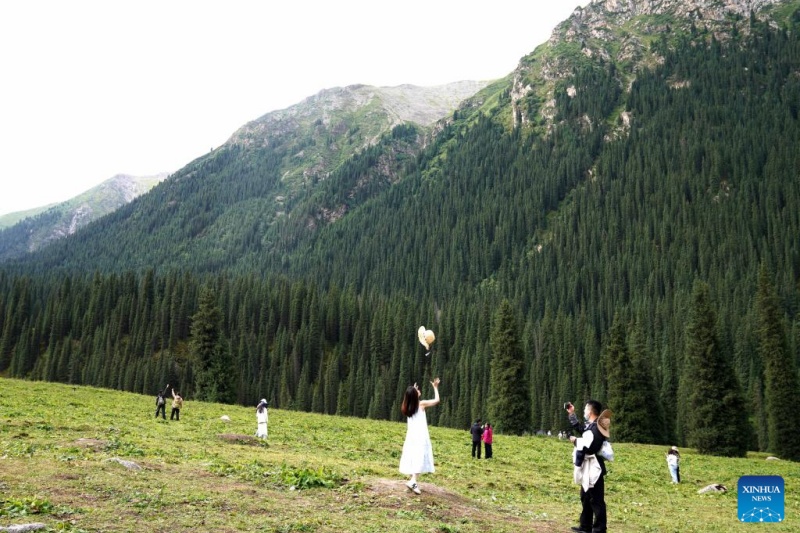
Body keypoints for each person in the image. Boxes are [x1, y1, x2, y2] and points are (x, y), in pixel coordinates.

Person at [567, 400, 611, 533]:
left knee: (596, 500)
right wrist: (572, 414)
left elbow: (591, 446)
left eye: (586, 409)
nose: (584, 411)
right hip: (589, 467)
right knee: (585, 497)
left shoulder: (597, 427)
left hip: (594, 468)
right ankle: (585, 527)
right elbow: (582, 430)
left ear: (590, 411)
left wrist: (576, 441)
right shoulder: (593, 426)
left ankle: (599, 529)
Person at [399, 377, 441, 495]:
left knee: (414, 456)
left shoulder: (407, 407)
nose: (418, 390)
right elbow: (437, 400)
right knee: (420, 457)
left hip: (411, 436)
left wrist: (413, 391)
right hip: (421, 436)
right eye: (416, 391)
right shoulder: (421, 404)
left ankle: (413, 480)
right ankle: (413, 481)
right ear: (414, 396)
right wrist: (435, 388)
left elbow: (411, 398)